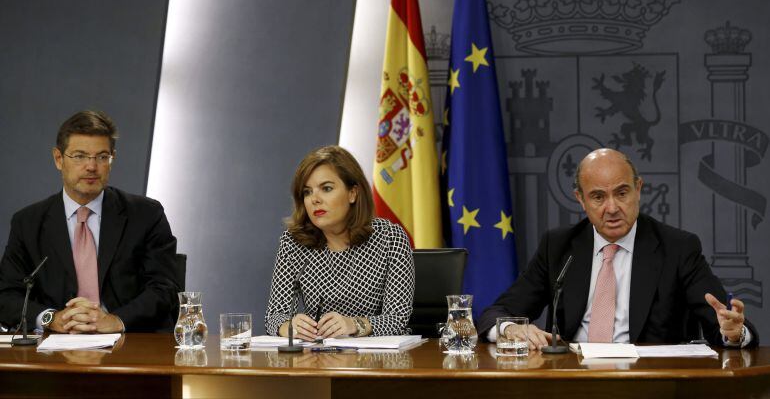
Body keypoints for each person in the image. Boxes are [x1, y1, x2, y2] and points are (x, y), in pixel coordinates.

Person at [478, 148, 758, 349]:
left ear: (639, 189)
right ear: (581, 199)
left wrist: (734, 333)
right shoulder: (560, 246)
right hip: (572, 382)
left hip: (649, 384)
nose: (612, 208)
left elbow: (724, 324)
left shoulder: (678, 248)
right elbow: (497, 312)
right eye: (598, 197)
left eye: (622, 193)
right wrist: (510, 328)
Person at [0, 110, 180, 333]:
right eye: (80, 156)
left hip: (129, 344)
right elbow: (6, 296)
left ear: (111, 159)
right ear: (58, 159)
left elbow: (165, 288)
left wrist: (116, 320)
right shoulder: (28, 222)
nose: (92, 166)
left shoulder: (146, 214)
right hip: (55, 347)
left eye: (102, 157)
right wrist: (51, 318)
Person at [265, 145, 414, 340]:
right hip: (319, 360)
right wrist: (288, 326)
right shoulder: (294, 243)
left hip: (378, 361)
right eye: (307, 192)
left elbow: (398, 318)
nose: (315, 200)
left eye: (326, 188)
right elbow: (274, 316)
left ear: (353, 193)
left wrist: (353, 324)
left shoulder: (390, 238)